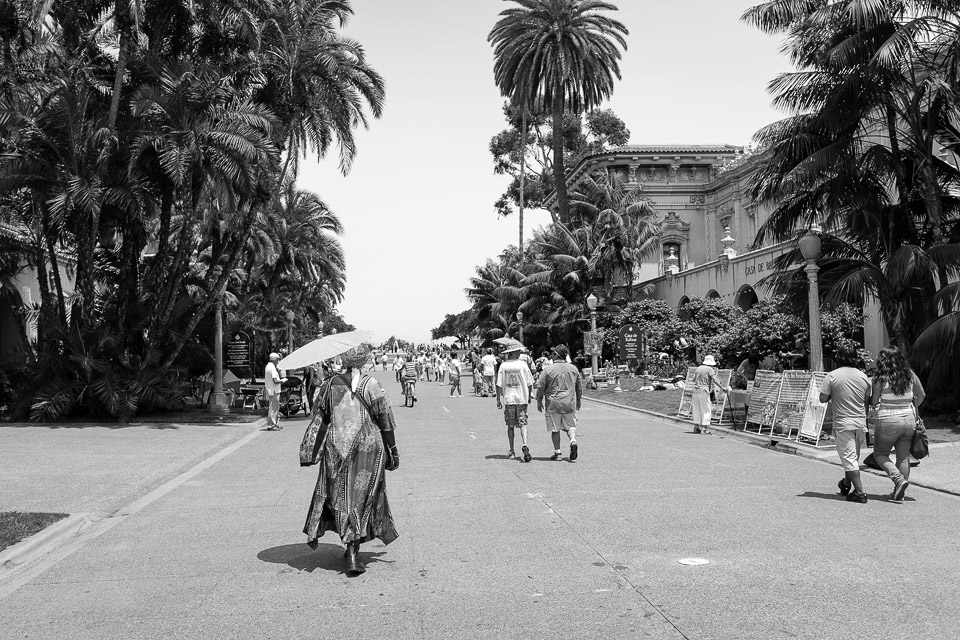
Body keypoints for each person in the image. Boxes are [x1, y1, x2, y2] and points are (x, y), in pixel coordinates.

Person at [300, 345, 399, 575]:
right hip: (368, 449)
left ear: (344, 359)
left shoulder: (329, 384)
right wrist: (393, 450)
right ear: (365, 361)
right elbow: (385, 420)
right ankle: (353, 552)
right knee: (363, 496)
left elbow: (320, 416)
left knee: (341, 496)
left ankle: (350, 543)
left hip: (336, 448)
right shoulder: (372, 384)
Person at [871, 345, 925, 502]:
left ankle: (898, 480)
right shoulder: (910, 375)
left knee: (880, 454)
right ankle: (898, 492)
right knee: (903, 458)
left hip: (888, 419)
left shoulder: (880, 378)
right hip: (908, 419)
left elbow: (874, 402)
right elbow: (921, 395)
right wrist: (912, 406)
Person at [819, 344, 871, 503]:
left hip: (843, 423)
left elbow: (822, 398)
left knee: (849, 458)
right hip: (860, 422)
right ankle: (846, 483)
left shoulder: (832, 376)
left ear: (839, 358)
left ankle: (860, 493)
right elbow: (866, 401)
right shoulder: (863, 377)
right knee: (853, 457)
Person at [536, 345, 582, 461]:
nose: (551, 355)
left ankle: (558, 453)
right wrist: (579, 400)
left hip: (553, 403)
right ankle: (573, 441)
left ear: (556, 355)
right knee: (571, 426)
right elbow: (579, 386)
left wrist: (539, 400)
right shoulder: (573, 368)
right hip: (569, 402)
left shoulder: (548, 369)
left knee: (555, 429)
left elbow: (540, 386)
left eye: (553, 353)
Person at [497, 343, 535, 461]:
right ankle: (524, 443)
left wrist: (498, 399)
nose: (519, 353)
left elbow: (499, 384)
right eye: (518, 351)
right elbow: (529, 382)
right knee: (523, 422)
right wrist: (529, 395)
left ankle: (512, 450)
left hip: (509, 399)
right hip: (522, 398)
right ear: (513, 352)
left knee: (511, 425)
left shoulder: (503, 366)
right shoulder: (522, 365)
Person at [691, 355, 728, 435]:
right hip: (704, 390)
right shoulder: (709, 369)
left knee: (696, 409)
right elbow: (715, 379)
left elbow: (693, 379)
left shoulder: (699, 368)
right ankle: (704, 428)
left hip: (695, 390)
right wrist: (722, 387)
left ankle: (696, 427)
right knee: (706, 409)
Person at [264, 353, 287, 431]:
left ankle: (273, 424)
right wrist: (282, 381)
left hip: (271, 389)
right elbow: (275, 380)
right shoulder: (272, 368)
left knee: (272, 407)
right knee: (274, 408)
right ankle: (272, 424)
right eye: (278, 360)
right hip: (274, 390)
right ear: (276, 360)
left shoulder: (268, 367)